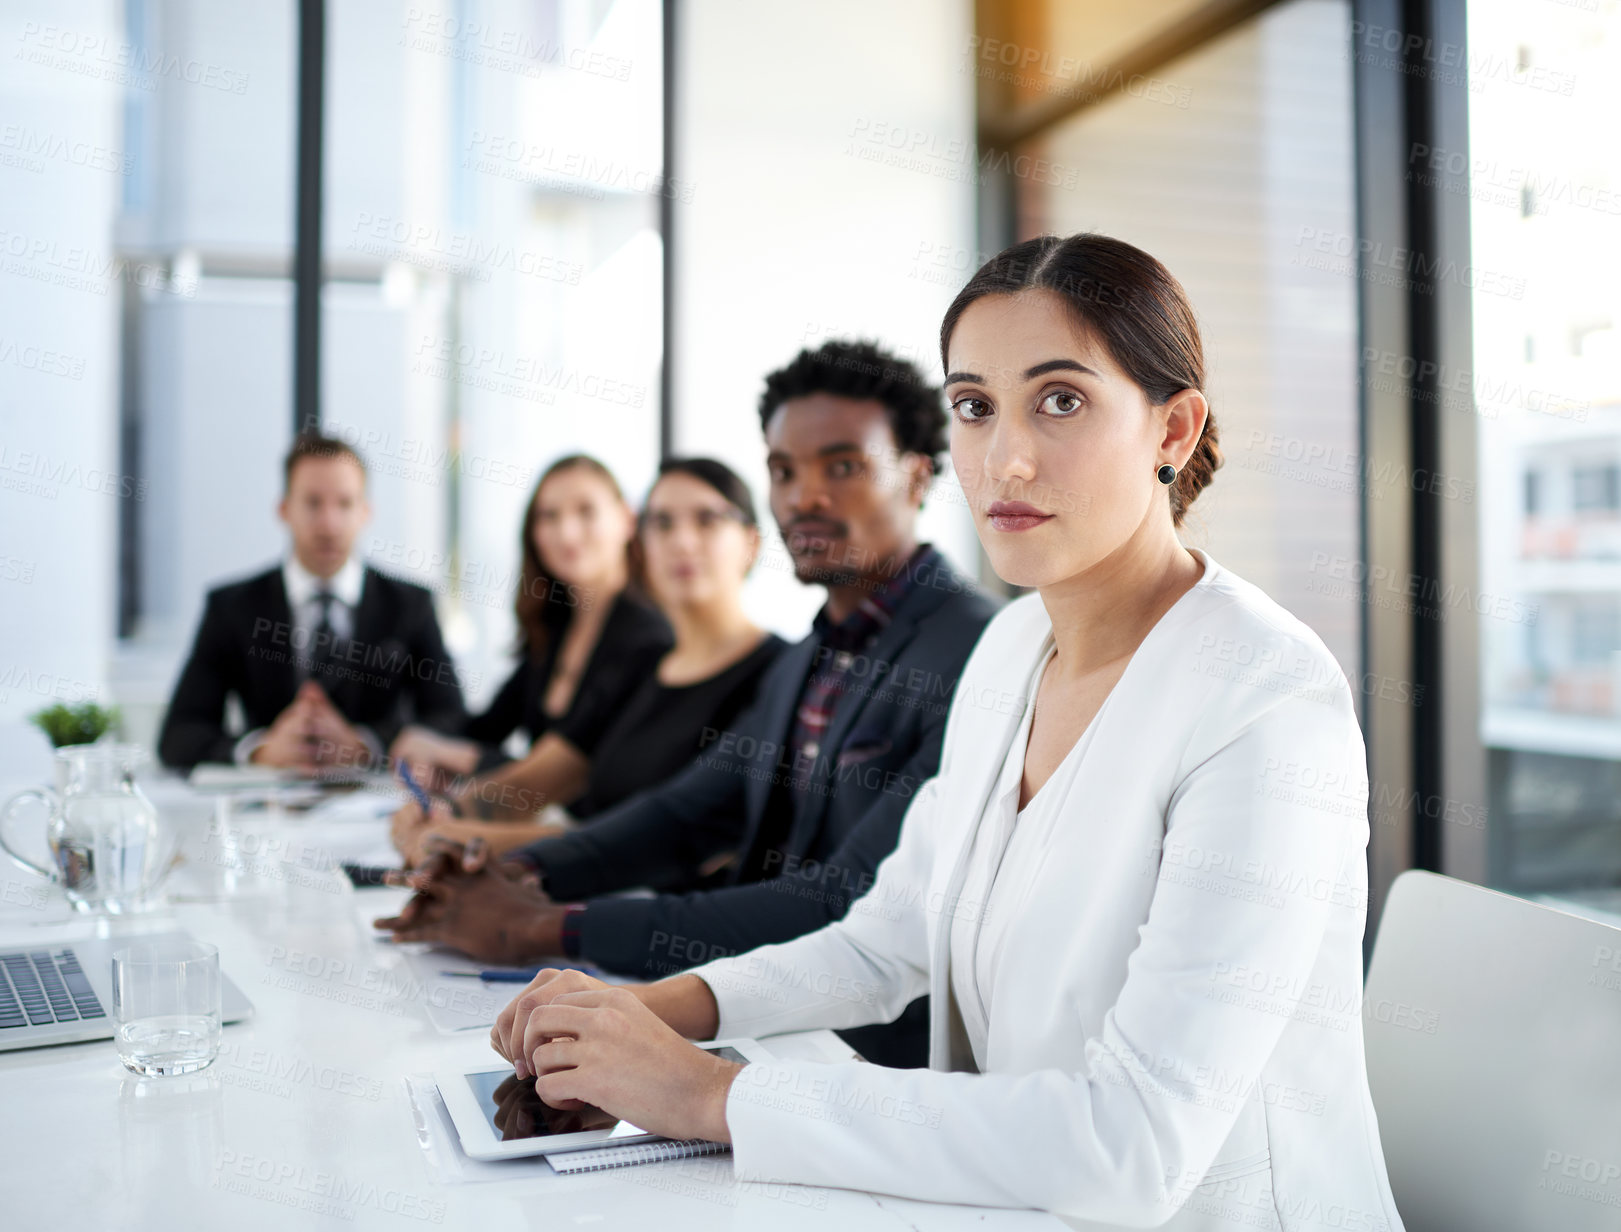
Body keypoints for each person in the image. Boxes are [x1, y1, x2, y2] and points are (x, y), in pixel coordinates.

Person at [480, 235, 1408, 1228]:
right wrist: (649, 1012)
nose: (1003, 457)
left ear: (1172, 429)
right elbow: (887, 941)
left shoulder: (1264, 699)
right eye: (974, 406)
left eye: (1061, 399)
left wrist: (710, 1096)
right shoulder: (1013, 648)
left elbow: (1131, 1143)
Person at [375, 340, 999, 1068]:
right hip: (766, 1026)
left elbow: (838, 905)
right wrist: (516, 873)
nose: (803, 498)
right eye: (782, 471)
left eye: (842, 466)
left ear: (918, 476)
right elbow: (679, 815)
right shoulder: (808, 657)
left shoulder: (975, 650)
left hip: (877, 1060)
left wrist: (545, 928)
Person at [389, 457, 787, 864]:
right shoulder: (642, 663)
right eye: (663, 523)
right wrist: (446, 815)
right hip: (582, 886)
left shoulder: (778, 674)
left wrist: (461, 839)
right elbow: (539, 780)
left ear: (751, 542)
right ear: (643, 538)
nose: (682, 541)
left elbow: (657, 841)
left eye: (707, 520)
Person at [158, 433, 466, 771]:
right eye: (313, 503)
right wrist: (260, 750)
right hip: (266, 810)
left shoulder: (411, 605)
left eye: (345, 504)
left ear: (365, 512)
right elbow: (178, 735)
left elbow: (453, 720)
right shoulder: (231, 607)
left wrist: (365, 744)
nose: (329, 524)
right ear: (284, 509)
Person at [387, 455, 674, 810]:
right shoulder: (555, 629)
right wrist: (416, 742)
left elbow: (584, 784)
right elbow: (484, 728)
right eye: (549, 516)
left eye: (586, 511)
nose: (566, 532)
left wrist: (461, 757)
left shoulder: (648, 640)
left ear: (626, 520)